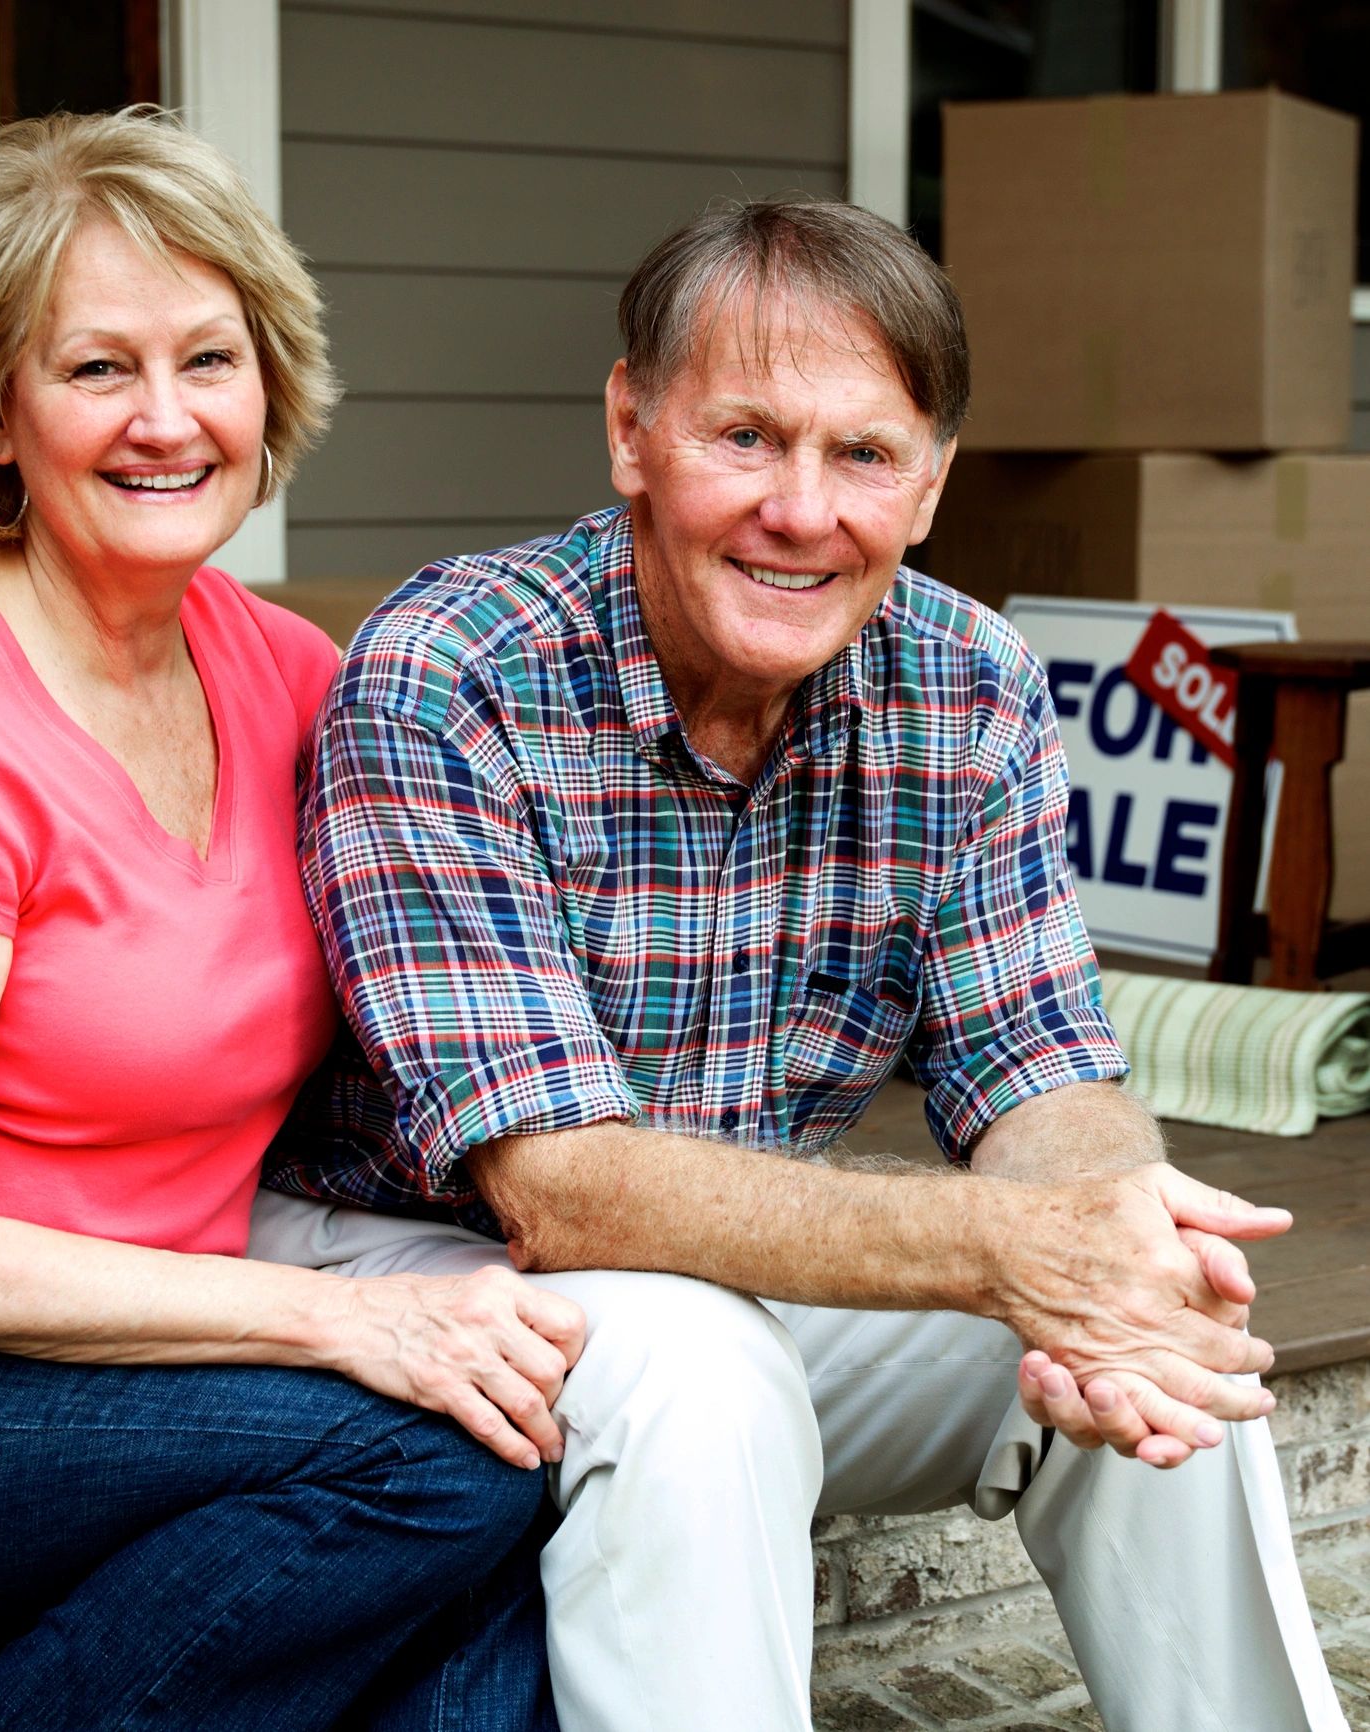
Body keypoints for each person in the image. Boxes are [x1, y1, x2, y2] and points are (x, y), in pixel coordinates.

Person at [255, 200, 1348, 1731]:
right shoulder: (449, 674)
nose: (800, 509)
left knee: (1158, 1327)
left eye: (863, 455)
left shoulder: (967, 679)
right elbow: (557, 1191)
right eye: (746, 438)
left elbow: (1038, 1059)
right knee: (706, 1370)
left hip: (717, 1265)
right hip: (405, 1263)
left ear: (933, 482)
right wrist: (1004, 1251)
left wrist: (1101, 1238)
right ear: (632, 430)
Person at [0, 108, 582, 1732]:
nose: (167, 421)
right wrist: (356, 1322)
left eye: (208, 360)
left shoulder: (283, 674)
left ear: (269, 386)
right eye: (96, 371)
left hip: (121, 1348)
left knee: (512, 1454)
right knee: (436, 1458)